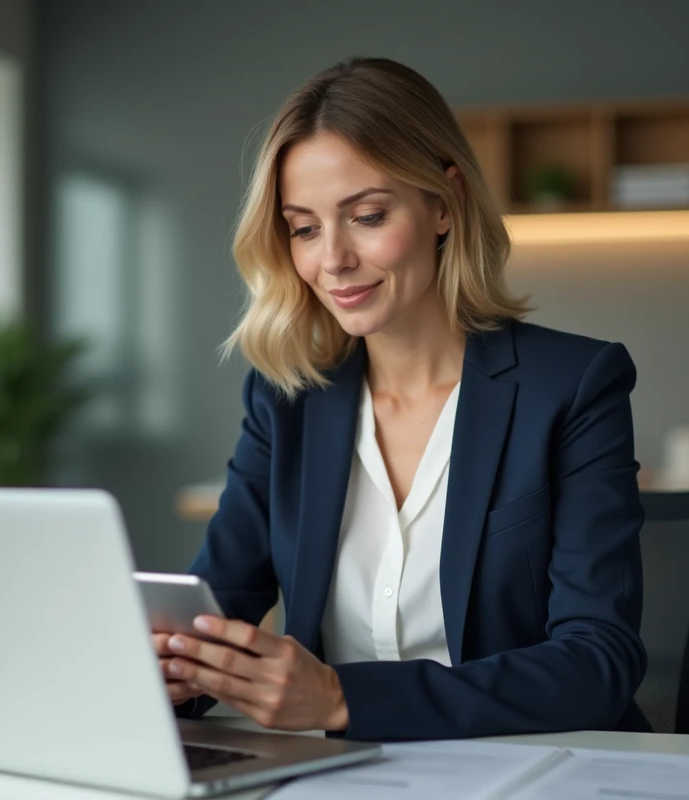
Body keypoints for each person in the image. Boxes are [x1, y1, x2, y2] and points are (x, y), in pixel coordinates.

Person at [152, 57, 648, 742]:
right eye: (303, 228)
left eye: (367, 216)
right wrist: (169, 666)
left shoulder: (573, 384)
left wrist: (338, 697)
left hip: (529, 764)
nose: (332, 260)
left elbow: (599, 662)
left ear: (444, 204)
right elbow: (217, 610)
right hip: (340, 777)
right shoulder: (287, 398)